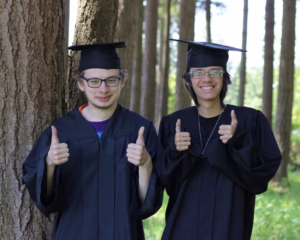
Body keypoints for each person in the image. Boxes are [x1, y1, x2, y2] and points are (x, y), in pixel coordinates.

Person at [23, 42, 162, 240]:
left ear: (122, 81)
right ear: (81, 83)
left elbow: (147, 203)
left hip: (122, 234)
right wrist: (49, 164)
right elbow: (45, 199)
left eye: (111, 80)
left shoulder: (140, 129)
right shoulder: (61, 131)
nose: (103, 89)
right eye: (94, 81)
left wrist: (146, 165)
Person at [158, 39, 282, 240]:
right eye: (198, 73)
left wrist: (241, 142)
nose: (207, 79)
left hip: (230, 227)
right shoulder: (173, 124)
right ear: (188, 79)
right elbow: (165, 181)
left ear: (225, 77)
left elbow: (261, 176)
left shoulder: (250, 121)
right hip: (182, 228)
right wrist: (173, 150)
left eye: (215, 72)